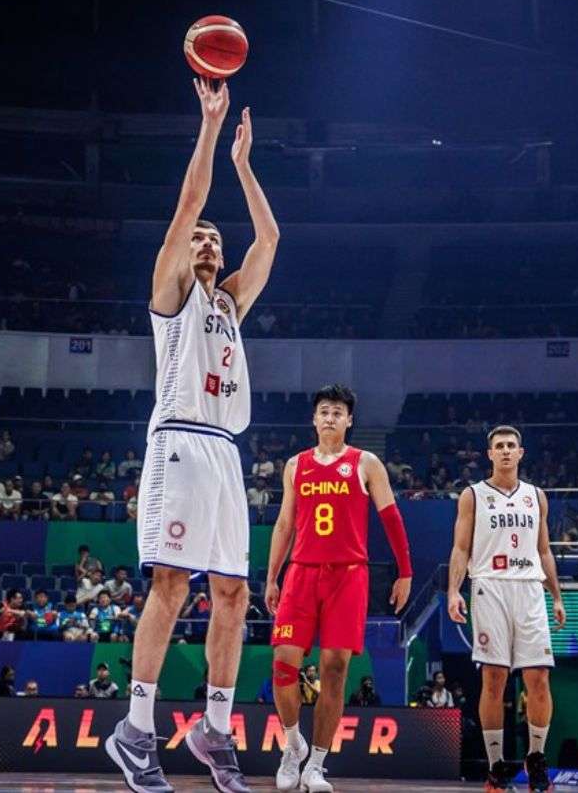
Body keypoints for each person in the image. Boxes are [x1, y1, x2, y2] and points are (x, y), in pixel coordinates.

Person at [108, 77, 279, 793]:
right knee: (172, 584)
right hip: (177, 444)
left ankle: (214, 727)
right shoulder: (171, 295)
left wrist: (244, 165)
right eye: (200, 238)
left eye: (214, 238)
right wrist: (209, 131)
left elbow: (269, 237)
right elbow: (187, 206)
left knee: (235, 596)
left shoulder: (232, 303)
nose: (208, 241)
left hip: (226, 456)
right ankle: (136, 731)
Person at [265, 385, 413, 793]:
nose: (330, 417)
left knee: (334, 670)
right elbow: (284, 525)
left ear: (349, 421)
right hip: (301, 572)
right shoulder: (295, 465)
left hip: (349, 575)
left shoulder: (366, 463)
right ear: (314, 419)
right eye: (324, 411)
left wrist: (405, 572)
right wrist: (271, 575)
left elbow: (392, 518)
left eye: (338, 412)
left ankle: (316, 764)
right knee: (283, 664)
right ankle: (291, 746)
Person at [447, 425, 566, 793]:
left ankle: (536, 758)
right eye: (498, 446)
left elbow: (544, 550)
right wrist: (453, 590)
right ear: (489, 454)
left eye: (511, 446)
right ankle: (496, 767)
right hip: (489, 587)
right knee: (494, 679)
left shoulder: (536, 496)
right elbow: (461, 548)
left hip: (529, 589)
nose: (505, 451)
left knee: (539, 679)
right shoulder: (472, 495)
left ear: (521, 452)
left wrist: (557, 595)